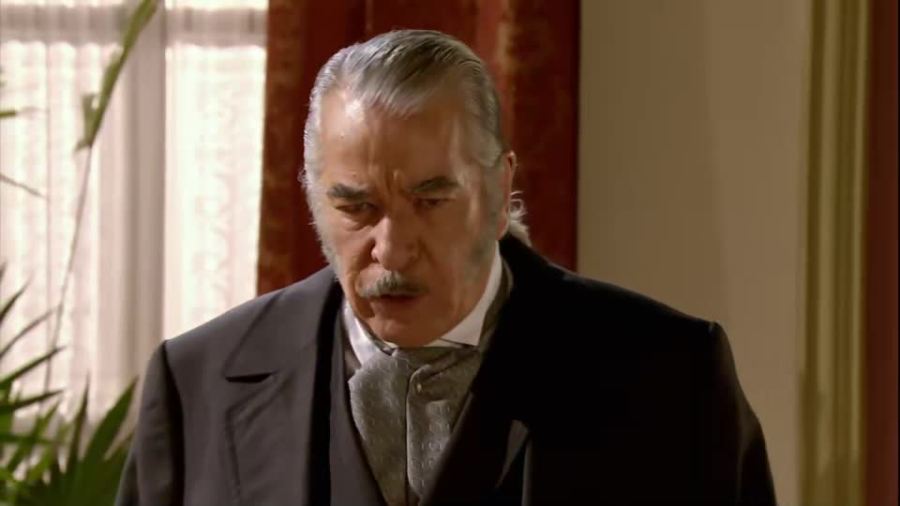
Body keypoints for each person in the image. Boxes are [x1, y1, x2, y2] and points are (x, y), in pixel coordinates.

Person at [115, 29, 776, 506]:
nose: (393, 249)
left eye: (431, 201)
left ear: (499, 191)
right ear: (313, 198)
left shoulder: (671, 376)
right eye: (356, 207)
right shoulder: (197, 384)